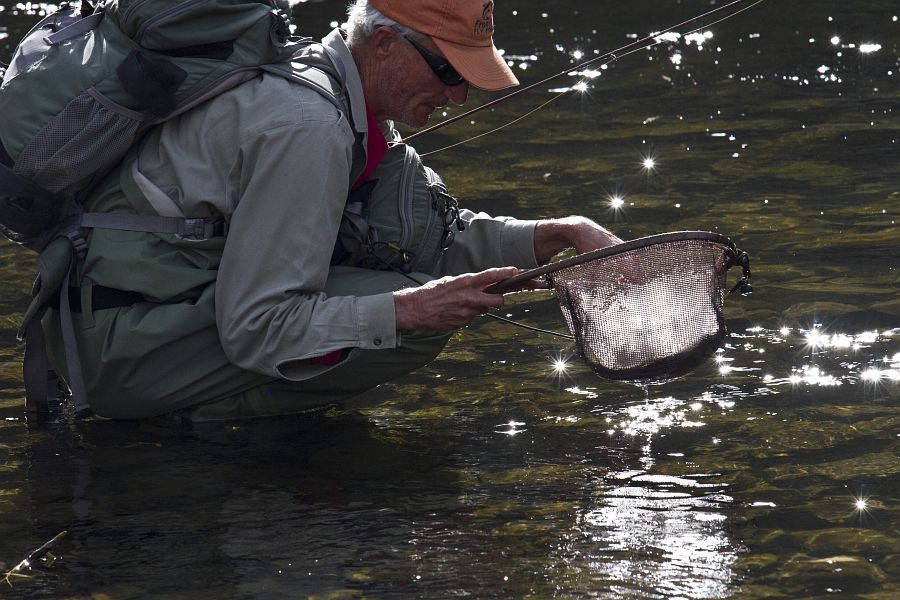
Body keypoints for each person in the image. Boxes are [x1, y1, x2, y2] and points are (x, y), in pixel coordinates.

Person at [42, 0, 623, 421]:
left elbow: (428, 236)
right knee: (404, 316)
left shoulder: (340, 101)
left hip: (131, 320)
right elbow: (257, 328)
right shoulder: (308, 126)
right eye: (448, 71)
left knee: (407, 286)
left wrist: (559, 236)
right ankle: (208, 432)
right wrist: (407, 312)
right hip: (118, 350)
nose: (459, 95)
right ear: (385, 43)